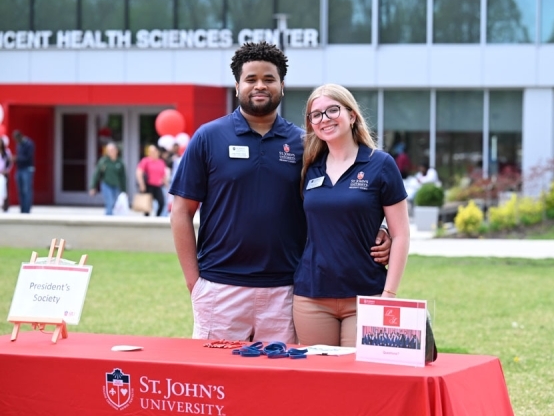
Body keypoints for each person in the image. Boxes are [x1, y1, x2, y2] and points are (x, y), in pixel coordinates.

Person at [169, 42, 391, 344]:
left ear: (282, 86)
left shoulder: (307, 144)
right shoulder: (208, 137)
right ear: (237, 86)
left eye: (269, 79)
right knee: (219, 383)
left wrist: (377, 230)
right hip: (221, 288)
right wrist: (194, 283)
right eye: (251, 79)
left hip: (286, 290)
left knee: (279, 385)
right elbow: (181, 212)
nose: (260, 85)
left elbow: (335, 197)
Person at [292, 83, 410, 347]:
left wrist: (388, 295)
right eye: (316, 115)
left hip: (366, 295)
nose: (325, 119)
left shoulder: (380, 164)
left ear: (352, 115)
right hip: (311, 297)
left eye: (332, 110)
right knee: (318, 382)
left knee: (361, 384)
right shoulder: (308, 168)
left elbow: (401, 234)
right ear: (311, 124)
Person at [89, 142, 127, 215]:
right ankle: (108, 218)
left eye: (112, 150)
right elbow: (97, 174)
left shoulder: (120, 162)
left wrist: (124, 190)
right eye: (109, 150)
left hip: (116, 185)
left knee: (115, 203)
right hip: (106, 185)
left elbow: (123, 177)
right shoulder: (104, 161)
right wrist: (93, 187)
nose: (110, 152)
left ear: (116, 150)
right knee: (109, 202)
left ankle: (112, 218)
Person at [136, 144, 169, 217]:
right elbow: (139, 172)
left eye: (154, 151)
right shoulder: (146, 161)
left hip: (157, 186)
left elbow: (163, 175)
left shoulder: (161, 162)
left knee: (162, 202)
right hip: (148, 185)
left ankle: (157, 217)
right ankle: (146, 218)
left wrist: (167, 186)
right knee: (147, 204)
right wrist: (141, 184)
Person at [12, 130, 35, 214]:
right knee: (20, 190)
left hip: (27, 169)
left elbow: (28, 158)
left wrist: (17, 159)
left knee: (27, 190)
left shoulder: (29, 144)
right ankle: (22, 209)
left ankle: (27, 209)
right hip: (20, 169)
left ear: (20, 136)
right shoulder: (18, 145)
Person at [0, 137, 12, 212]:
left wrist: (6, 170)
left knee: (5, 190)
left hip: (4, 173)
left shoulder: (7, 152)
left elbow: (10, 162)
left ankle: (5, 206)